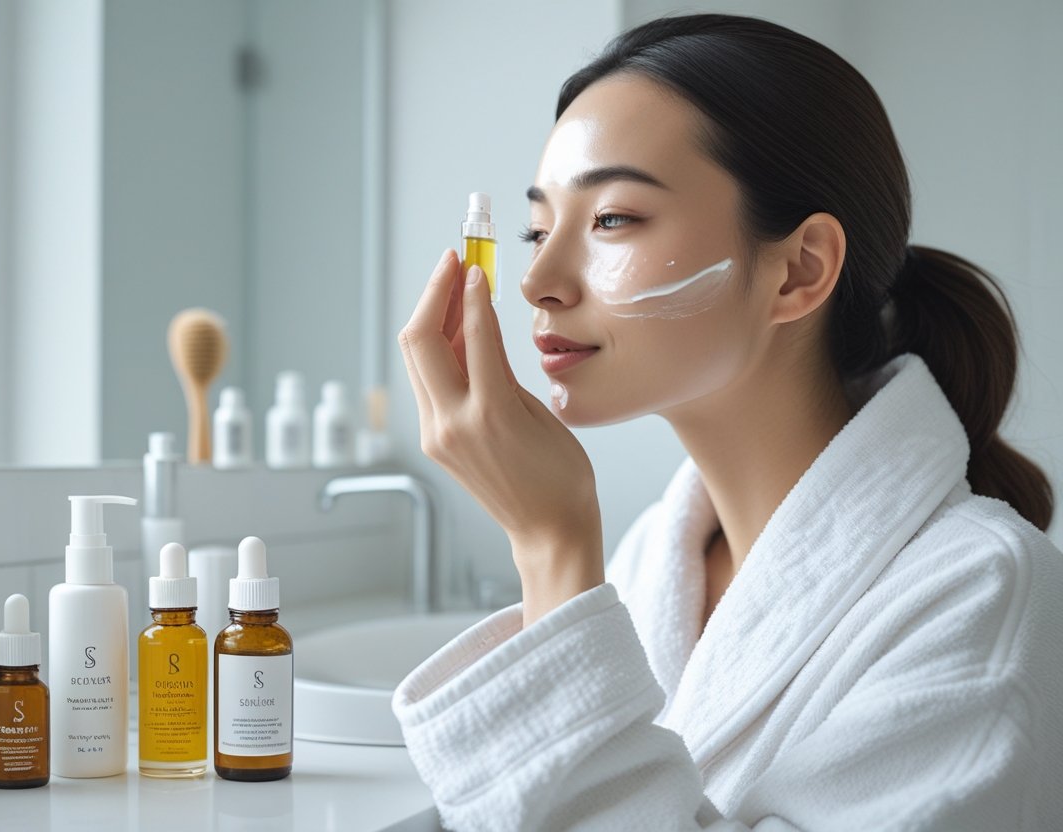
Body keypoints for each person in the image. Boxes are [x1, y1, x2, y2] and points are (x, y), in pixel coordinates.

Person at [393, 13, 1062, 832]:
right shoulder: (653, 561)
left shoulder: (984, 597)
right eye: (538, 229)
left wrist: (553, 547)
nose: (537, 279)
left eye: (612, 219)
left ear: (799, 270)